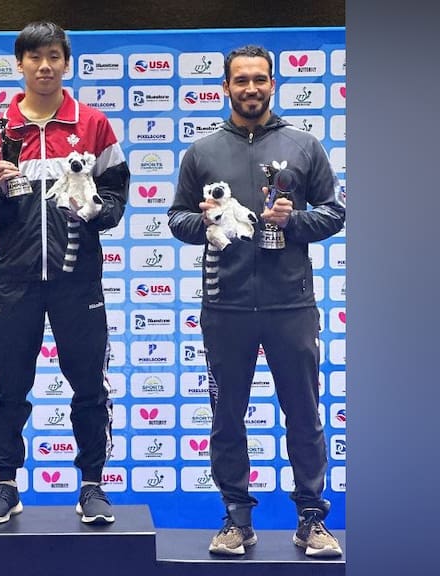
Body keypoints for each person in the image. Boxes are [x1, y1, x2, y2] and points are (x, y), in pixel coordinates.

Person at [167, 45, 345, 557]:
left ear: (273, 85)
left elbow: (334, 214)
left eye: (259, 79)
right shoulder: (201, 152)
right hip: (225, 308)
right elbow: (176, 219)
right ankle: (236, 520)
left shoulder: (304, 145)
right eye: (240, 80)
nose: (250, 88)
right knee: (226, 417)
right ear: (225, 86)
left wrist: (294, 225)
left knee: (305, 414)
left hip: (291, 305)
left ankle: (311, 519)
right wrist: (203, 223)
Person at [0, 21, 130, 525]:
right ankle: (6, 484)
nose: (44, 65)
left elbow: (118, 197)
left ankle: (92, 485)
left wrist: (95, 210)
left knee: (89, 387)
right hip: (14, 280)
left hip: (78, 281)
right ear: (19, 65)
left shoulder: (94, 124)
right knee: (9, 386)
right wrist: (4, 192)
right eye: (34, 57)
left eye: (54, 55)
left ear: (66, 61)